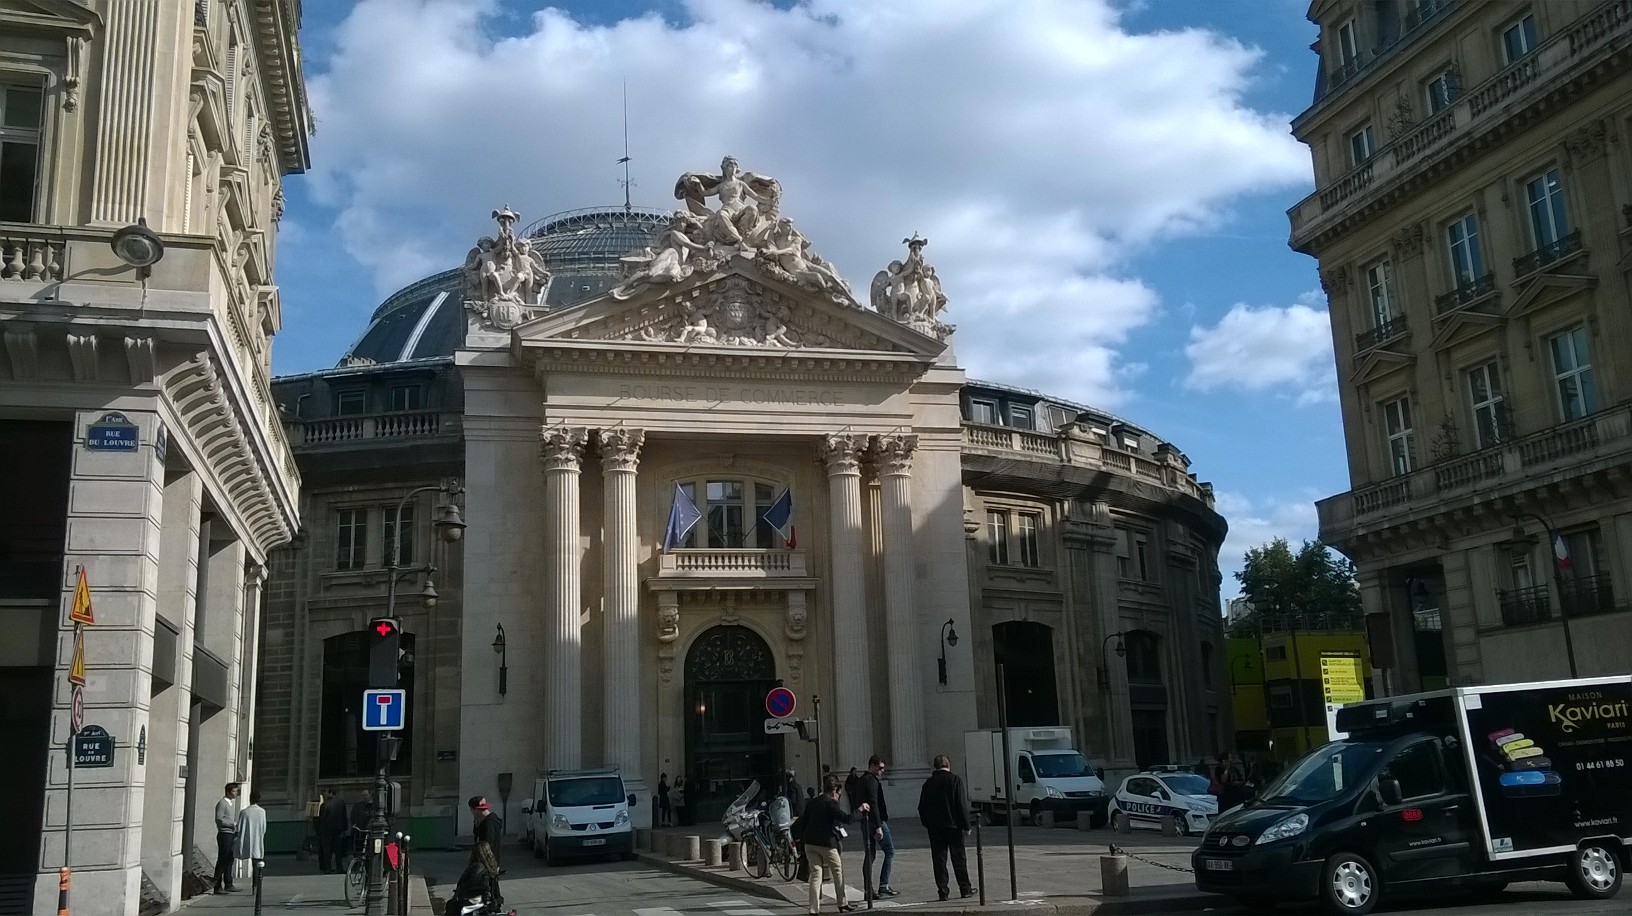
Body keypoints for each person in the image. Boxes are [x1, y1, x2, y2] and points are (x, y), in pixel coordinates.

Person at [801, 774, 867, 914]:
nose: (839, 796)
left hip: (809, 843)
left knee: (815, 875)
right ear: (834, 790)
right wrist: (860, 809)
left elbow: (804, 821)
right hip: (826, 844)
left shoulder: (812, 802)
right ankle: (842, 903)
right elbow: (847, 819)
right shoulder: (831, 804)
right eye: (839, 793)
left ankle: (813, 909)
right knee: (838, 872)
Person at [917, 755, 974, 901]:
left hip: (935, 827)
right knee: (959, 858)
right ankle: (965, 888)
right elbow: (961, 805)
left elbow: (921, 807)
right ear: (948, 765)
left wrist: (927, 823)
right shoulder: (955, 780)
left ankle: (943, 891)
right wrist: (966, 825)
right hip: (953, 826)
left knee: (939, 859)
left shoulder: (928, 783)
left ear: (935, 766)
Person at [856, 755, 897, 897]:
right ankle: (883, 885)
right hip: (875, 821)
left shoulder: (860, 780)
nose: (882, 771)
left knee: (870, 855)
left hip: (864, 820)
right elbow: (874, 804)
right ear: (872, 766)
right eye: (880, 768)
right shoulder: (872, 781)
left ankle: (868, 889)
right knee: (890, 851)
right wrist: (879, 826)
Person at [469, 795, 503, 906]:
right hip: (489, 861)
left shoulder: (490, 824)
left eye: (472, 810)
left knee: (490, 887)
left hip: (488, 861)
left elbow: (486, 845)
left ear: (475, 810)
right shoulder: (483, 822)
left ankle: (494, 904)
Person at [235, 791, 268, 890]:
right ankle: (256, 883)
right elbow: (264, 827)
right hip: (257, 838)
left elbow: (239, 827)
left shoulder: (244, 812)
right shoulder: (262, 812)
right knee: (257, 860)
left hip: (246, 838)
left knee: (246, 855)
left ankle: (254, 884)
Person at [213, 782, 240, 894]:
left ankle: (228, 883)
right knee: (223, 859)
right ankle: (217, 885)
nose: (236, 793)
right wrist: (232, 824)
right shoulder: (222, 803)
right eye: (234, 791)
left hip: (231, 833)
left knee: (230, 858)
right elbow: (219, 819)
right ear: (228, 792)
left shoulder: (231, 804)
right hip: (224, 834)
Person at [317, 789, 349, 873]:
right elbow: (344, 816)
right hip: (338, 829)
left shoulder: (325, 804)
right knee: (338, 850)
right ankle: (339, 867)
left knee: (327, 850)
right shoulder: (341, 803)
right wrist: (345, 828)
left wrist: (318, 830)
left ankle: (328, 868)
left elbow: (321, 818)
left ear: (330, 793)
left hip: (326, 830)